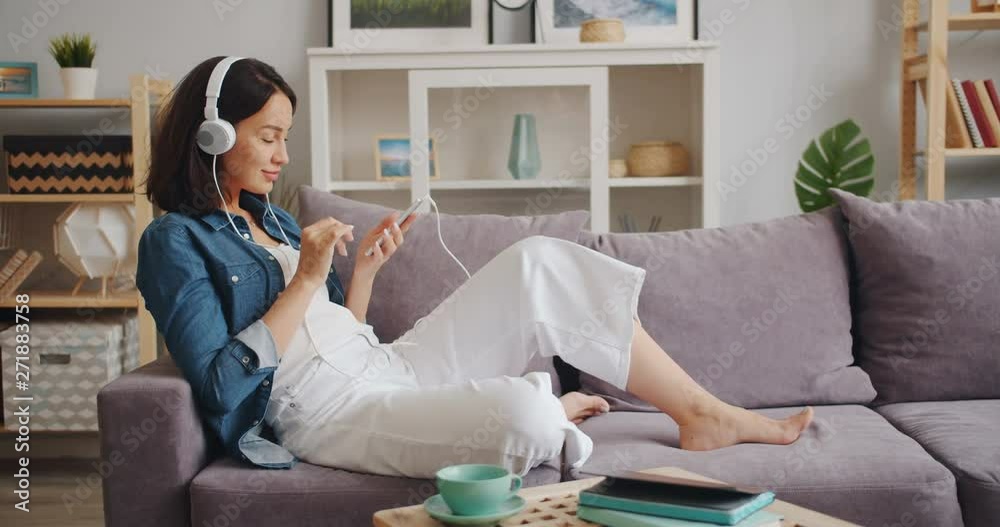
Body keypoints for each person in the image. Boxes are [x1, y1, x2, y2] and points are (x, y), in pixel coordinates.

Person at [136, 56, 814, 478]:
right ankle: (547, 408)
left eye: (286, 136)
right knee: (525, 411)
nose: (283, 154)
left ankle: (699, 410)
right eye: (269, 136)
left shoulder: (274, 219)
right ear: (213, 136)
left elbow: (339, 330)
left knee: (538, 261)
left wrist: (360, 276)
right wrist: (309, 278)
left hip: (386, 366)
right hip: (326, 410)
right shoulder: (173, 242)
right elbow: (224, 387)